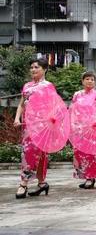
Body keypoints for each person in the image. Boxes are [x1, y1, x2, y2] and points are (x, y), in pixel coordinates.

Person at [13, 58, 56, 199]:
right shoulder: (26, 86)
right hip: (27, 124)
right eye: (31, 67)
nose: (33, 69)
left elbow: (54, 105)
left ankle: (31, 183)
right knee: (28, 151)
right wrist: (17, 118)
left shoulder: (48, 86)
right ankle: (34, 183)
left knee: (41, 154)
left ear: (44, 69)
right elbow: (21, 104)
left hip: (42, 125)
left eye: (36, 67)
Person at [71, 71, 96, 189]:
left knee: (91, 153)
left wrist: (94, 123)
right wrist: (72, 124)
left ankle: (91, 177)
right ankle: (85, 176)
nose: (90, 81)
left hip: (91, 128)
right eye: (87, 79)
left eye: (92, 79)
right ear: (82, 81)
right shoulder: (77, 95)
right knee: (80, 152)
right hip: (79, 128)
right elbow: (73, 110)